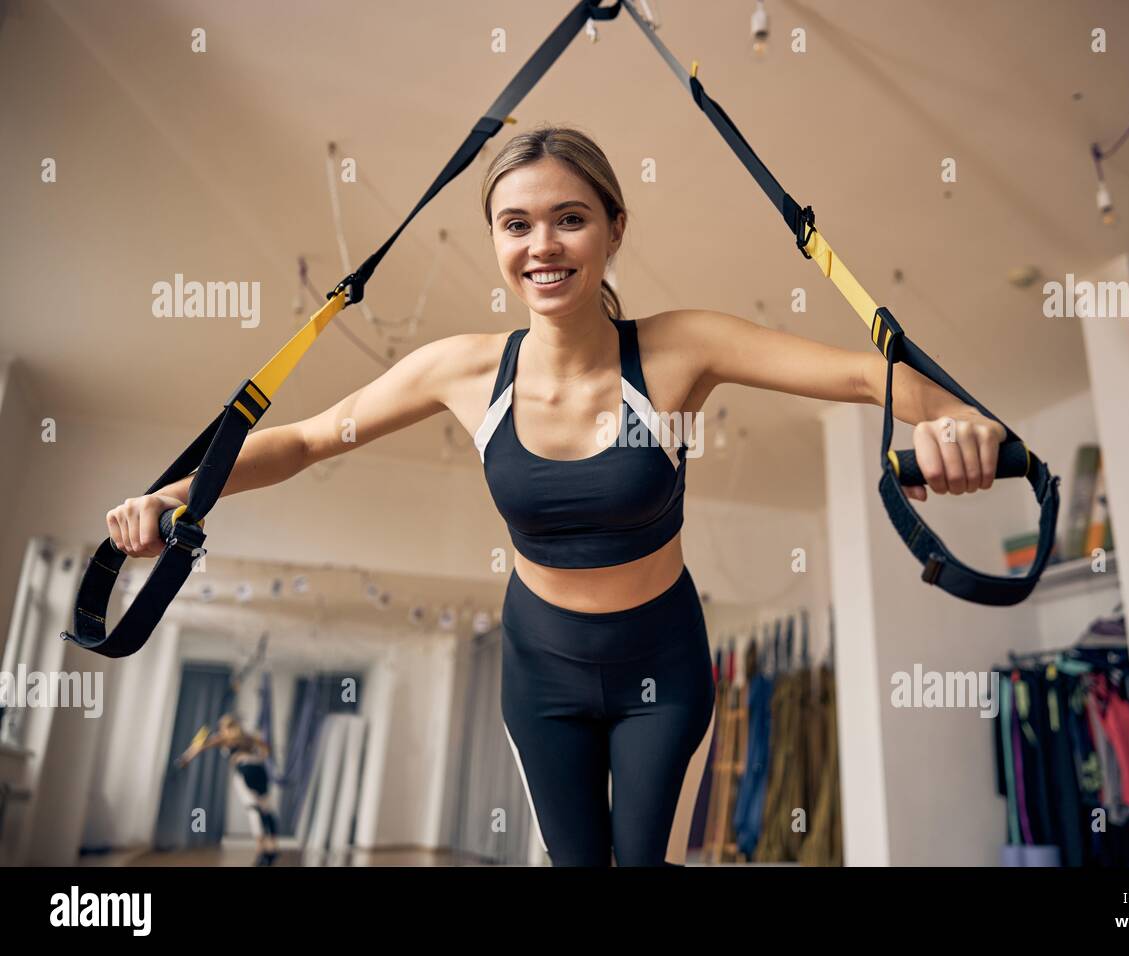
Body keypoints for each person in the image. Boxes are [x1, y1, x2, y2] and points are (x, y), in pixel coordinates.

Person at [108, 125, 1004, 866]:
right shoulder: (463, 371)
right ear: (497, 240)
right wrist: (178, 495)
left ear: (614, 229)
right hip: (541, 666)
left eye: (569, 219)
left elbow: (866, 375)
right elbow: (305, 439)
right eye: (517, 224)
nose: (542, 245)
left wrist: (961, 422)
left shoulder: (681, 349)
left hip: (662, 661)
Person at [177, 713, 280, 865]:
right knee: (266, 809)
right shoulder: (247, 737)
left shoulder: (224, 738)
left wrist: (185, 758)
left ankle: (261, 851)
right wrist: (260, 757)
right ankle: (272, 848)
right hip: (259, 770)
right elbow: (265, 747)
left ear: (224, 726)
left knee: (253, 810)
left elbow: (199, 747)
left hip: (245, 771)